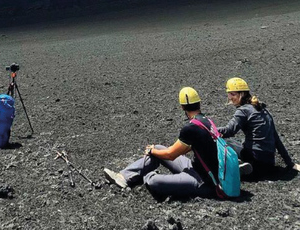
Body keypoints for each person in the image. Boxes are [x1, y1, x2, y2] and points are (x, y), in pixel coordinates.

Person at [103, 87, 245, 198]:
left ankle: (148, 175)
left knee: (154, 181)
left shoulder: (191, 128)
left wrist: (152, 151)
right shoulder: (206, 121)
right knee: (159, 148)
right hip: (196, 168)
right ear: (199, 103)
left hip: (203, 181)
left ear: (182, 107)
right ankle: (123, 177)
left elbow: (171, 155)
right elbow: (182, 150)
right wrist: (156, 150)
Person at [219, 77, 300, 177]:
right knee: (236, 143)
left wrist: (208, 128)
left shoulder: (243, 110)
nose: (230, 97)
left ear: (242, 94)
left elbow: (229, 131)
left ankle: (236, 166)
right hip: (269, 162)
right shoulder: (262, 109)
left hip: (255, 158)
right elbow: (276, 138)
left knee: (225, 143)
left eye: (233, 94)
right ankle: (243, 165)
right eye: (229, 93)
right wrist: (290, 163)